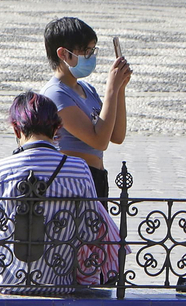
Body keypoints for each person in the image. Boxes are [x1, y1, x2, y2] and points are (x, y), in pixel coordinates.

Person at [0, 92, 120, 295]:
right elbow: (89, 229)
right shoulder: (78, 169)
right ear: (56, 128)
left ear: (16, 129)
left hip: (7, 280)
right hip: (61, 279)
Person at [37, 17, 132, 201]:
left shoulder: (86, 89)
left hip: (96, 177)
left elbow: (116, 135)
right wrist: (111, 89)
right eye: (85, 52)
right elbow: (99, 141)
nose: (91, 57)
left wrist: (120, 89)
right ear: (63, 54)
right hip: (73, 182)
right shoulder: (55, 94)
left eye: (92, 50)